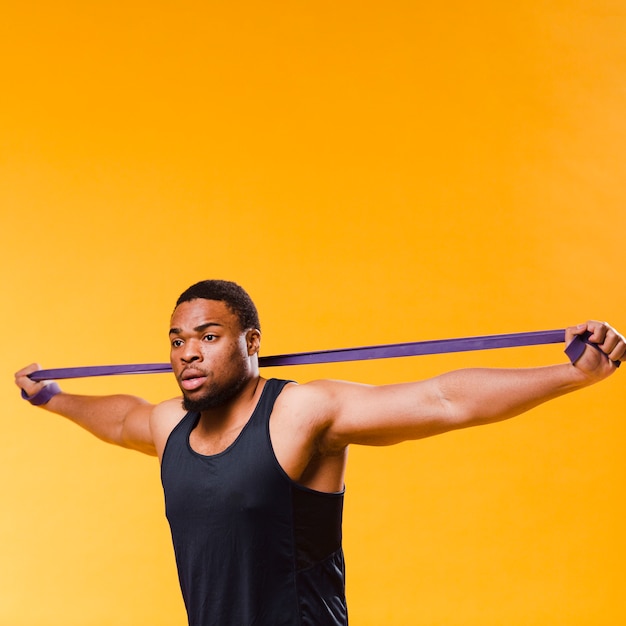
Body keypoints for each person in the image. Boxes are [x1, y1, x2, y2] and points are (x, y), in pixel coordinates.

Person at [15, 279, 625, 626]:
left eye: (208, 336)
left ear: (252, 342)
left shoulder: (302, 411)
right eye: (177, 340)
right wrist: (55, 398)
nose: (187, 353)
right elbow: (121, 418)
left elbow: (443, 399)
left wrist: (572, 375)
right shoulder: (170, 422)